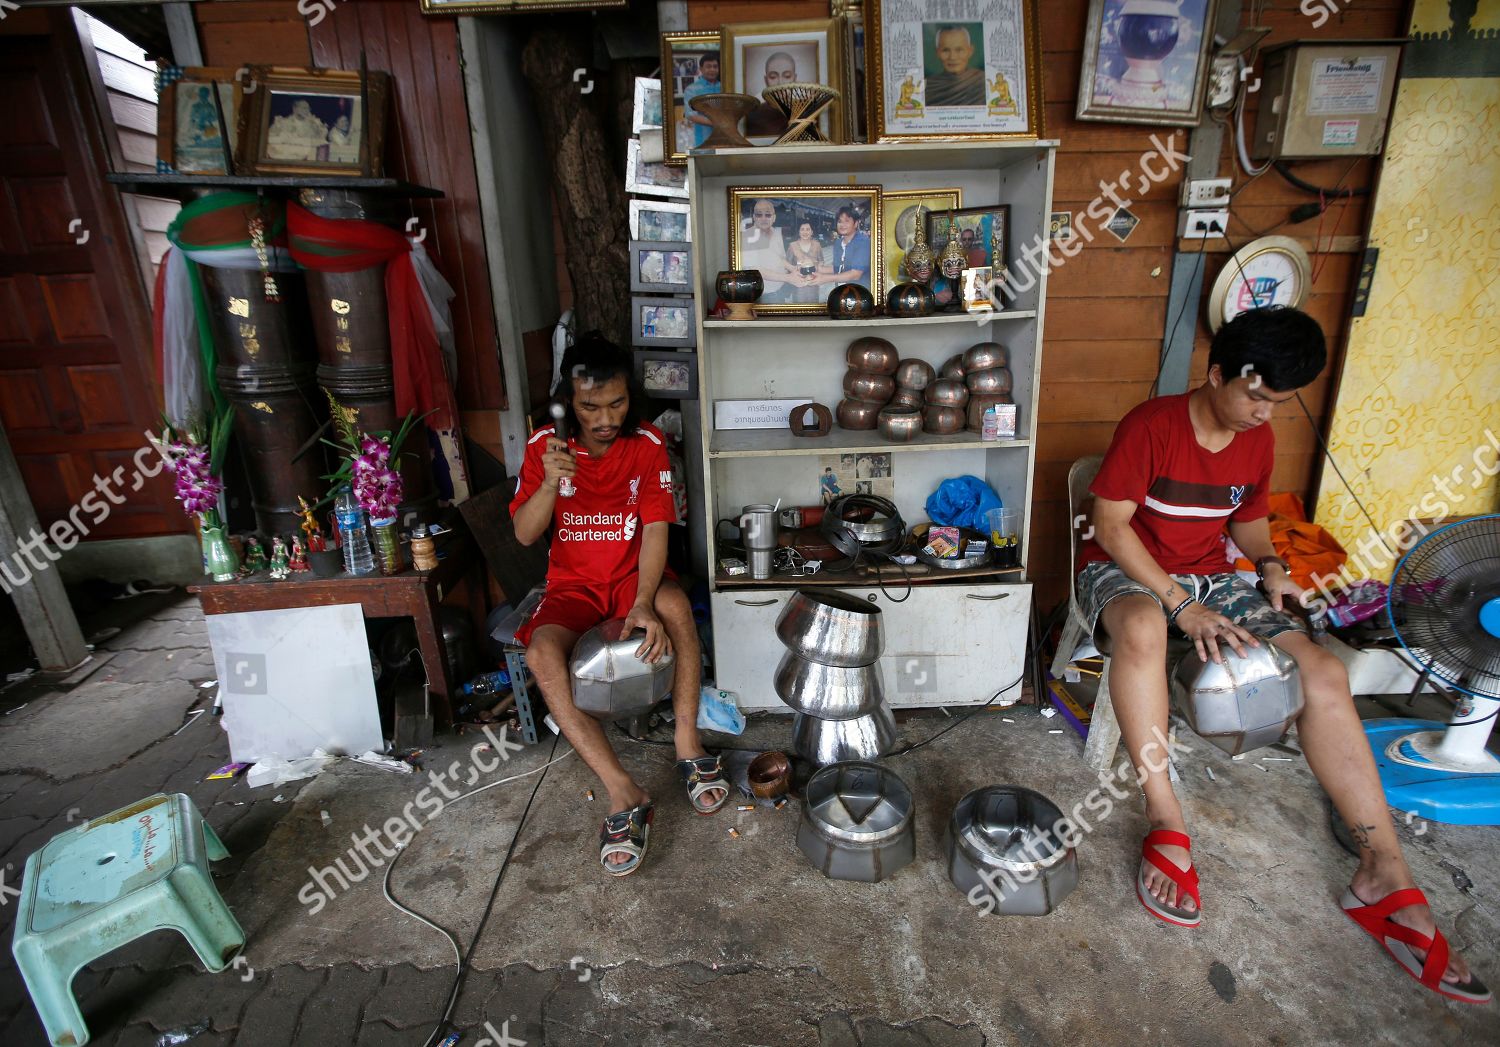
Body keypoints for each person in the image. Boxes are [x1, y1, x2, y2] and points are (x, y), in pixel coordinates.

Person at [1076, 306, 1489, 1004]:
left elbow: (1247, 521)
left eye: (1278, 401)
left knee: (1324, 669)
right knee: (1145, 629)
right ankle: (1166, 819)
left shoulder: (1255, 440)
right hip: (1126, 571)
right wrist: (1181, 603)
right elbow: (1112, 528)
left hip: (1212, 575)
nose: (1264, 413)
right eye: (1256, 396)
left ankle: (1382, 869)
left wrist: (1268, 565)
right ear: (1217, 374)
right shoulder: (1152, 427)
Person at [511, 335, 728, 876]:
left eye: (617, 403)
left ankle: (687, 743)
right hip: (574, 586)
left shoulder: (649, 444)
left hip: (636, 575)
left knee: (676, 609)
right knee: (541, 656)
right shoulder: (545, 446)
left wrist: (644, 603)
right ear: (567, 400)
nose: (605, 418)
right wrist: (551, 486)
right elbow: (523, 533)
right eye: (590, 407)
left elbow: (655, 527)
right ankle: (623, 791)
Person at [740, 198, 809, 303]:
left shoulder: (776, 233)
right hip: (763, 296)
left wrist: (793, 268)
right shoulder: (747, 237)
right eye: (759, 215)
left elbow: (779, 257)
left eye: (768, 215)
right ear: (754, 217)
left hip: (780, 291)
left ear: (774, 218)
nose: (763, 218)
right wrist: (788, 278)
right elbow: (754, 271)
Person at [809, 206, 871, 290]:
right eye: (839, 221)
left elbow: (856, 274)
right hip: (840, 291)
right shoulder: (838, 243)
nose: (842, 225)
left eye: (847, 221)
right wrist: (816, 268)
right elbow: (838, 268)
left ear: (856, 223)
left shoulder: (863, 242)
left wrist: (824, 278)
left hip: (859, 292)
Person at [927, 25, 985, 106]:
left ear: (970, 51)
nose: (952, 57)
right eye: (945, 50)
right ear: (937, 53)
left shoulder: (982, 81)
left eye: (959, 50)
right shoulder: (928, 86)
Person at [746, 50, 798, 137]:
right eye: (773, 77)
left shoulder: (805, 112)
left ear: (795, 79)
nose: (780, 83)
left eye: (787, 76)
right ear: (766, 80)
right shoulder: (754, 114)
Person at [681, 51, 720, 149]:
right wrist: (717, 122)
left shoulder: (725, 87)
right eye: (708, 66)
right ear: (701, 69)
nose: (712, 69)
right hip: (702, 139)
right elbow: (690, 115)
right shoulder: (692, 89)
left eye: (715, 66)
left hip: (724, 138)